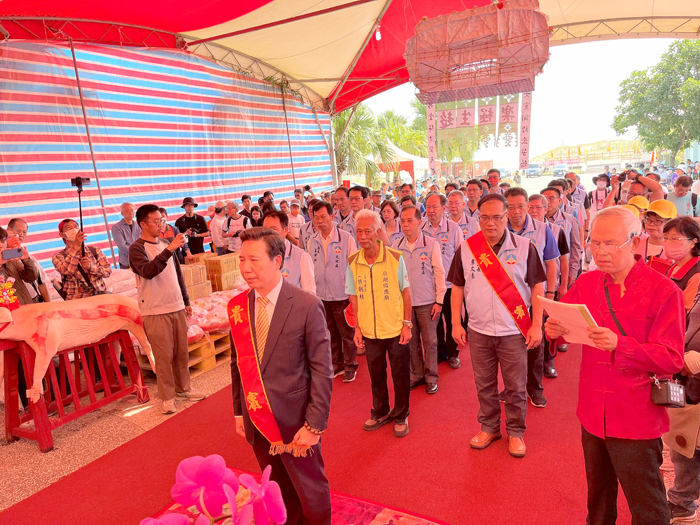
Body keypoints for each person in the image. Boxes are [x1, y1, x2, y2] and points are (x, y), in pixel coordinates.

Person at [545, 206, 685, 525]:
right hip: (593, 410)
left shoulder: (664, 292)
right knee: (599, 497)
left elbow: (672, 359)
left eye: (610, 244)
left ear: (635, 243)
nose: (600, 252)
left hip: (636, 414)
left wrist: (621, 344)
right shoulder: (588, 283)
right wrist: (553, 330)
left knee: (646, 502)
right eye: (595, 243)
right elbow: (562, 320)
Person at [229, 227, 333, 525]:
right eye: (241, 260)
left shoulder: (306, 305)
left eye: (254, 260)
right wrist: (239, 412)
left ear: (277, 261)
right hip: (257, 417)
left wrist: (315, 424)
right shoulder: (239, 307)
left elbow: (322, 370)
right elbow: (237, 363)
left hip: (295, 419)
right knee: (276, 488)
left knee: (310, 489)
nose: (246, 268)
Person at [450, 193, 545, 458]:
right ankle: (489, 426)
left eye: (496, 217)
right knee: (484, 383)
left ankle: (516, 431)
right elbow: (457, 287)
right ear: (477, 218)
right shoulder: (468, 248)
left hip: (514, 331)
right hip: (478, 330)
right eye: (484, 217)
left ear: (507, 217)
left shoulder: (526, 247)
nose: (490, 223)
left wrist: (537, 325)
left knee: (515, 386)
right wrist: (456, 323)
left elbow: (538, 287)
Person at [130, 204, 205, 414]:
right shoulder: (137, 248)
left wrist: (186, 300)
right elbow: (148, 271)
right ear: (143, 224)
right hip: (155, 309)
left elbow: (177, 274)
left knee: (182, 352)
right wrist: (170, 248)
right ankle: (167, 396)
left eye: (162, 220)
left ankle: (185, 388)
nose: (161, 225)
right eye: (156, 221)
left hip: (177, 305)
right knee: (163, 355)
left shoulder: (164, 243)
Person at [347, 210, 412, 437]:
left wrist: (407, 324)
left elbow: (406, 292)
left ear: (378, 232)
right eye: (359, 232)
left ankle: (401, 414)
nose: (363, 236)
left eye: (367, 231)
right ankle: (381, 411)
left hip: (395, 329)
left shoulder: (395, 257)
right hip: (369, 331)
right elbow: (353, 296)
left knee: (400, 375)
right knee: (376, 375)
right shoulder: (353, 261)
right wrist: (357, 327)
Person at [505, 188, 560, 408]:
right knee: (509, 348)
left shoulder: (542, 229)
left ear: (528, 206)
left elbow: (551, 263)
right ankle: (511, 387)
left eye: (520, 206)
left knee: (535, 346)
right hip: (509, 298)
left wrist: (550, 295)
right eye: (510, 207)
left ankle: (535, 388)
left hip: (535, 299)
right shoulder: (500, 230)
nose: (516, 211)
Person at [394, 205, 446, 394]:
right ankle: (416, 375)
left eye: (409, 221)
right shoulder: (396, 247)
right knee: (411, 340)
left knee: (430, 341)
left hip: (427, 302)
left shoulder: (431, 244)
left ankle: (431, 376)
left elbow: (439, 273)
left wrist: (439, 300)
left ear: (420, 222)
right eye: (403, 221)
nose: (405, 225)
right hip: (406, 304)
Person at [307, 201, 359, 382]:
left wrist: (353, 294)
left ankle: (350, 365)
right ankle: (337, 364)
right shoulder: (311, 240)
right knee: (330, 333)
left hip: (342, 294)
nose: (320, 221)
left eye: (323, 217)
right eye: (316, 218)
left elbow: (354, 268)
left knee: (347, 334)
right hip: (321, 295)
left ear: (332, 216)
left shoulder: (346, 239)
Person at [422, 192, 464, 368]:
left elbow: (461, 256)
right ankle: (440, 352)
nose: (431, 210)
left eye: (435, 207)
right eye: (428, 207)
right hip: (429, 285)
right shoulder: (420, 227)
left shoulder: (454, 228)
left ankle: (453, 353)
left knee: (453, 317)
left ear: (443, 208)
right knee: (435, 322)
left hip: (449, 284)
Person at [53, 219, 112, 300]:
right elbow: (66, 270)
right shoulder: (58, 256)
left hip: (100, 298)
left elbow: (107, 272)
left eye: (75, 226)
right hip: (77, 301)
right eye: (68, 227)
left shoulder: (94, 250)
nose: (73, 229)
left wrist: (91, 267)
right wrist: (76, 247)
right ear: (62, 234)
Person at [263, 211, 315, 294]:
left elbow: (310, 294)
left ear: (286, 230)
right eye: (265, 229)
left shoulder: (302, 257)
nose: (268, 233)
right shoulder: (261, 255)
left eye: (273, 229)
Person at [542, 187, 581, 288]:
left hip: (563, 271)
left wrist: (572, 272)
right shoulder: (536, 221)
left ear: (559, 200)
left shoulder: (569, 219)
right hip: (542, 273)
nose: (548, 202)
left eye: (551, 198)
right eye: (544, 199)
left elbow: (575, 247)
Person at [6, 218, 50, 302]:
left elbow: (41, 283)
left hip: (34, 300)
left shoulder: (29, 258)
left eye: (24, 232)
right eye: (18, 230)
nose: (21, 234)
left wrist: (49, 305)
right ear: (8, 230)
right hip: (13, 303)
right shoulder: (4, 258)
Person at [663, 217, 700, 313]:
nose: (667, 243)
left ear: (693, 242)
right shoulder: (675, 265)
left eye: (674, 239)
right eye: (665, 238)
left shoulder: (696, 274)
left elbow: (686, 311)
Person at [0, 226, 37, 306]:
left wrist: (26, 261)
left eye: (3, 241)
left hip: (26, 307)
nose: (1, 245)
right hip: (6, 315)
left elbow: (30, 278)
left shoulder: (12, 260)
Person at [635, 199, 677, 265]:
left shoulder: (677, 250)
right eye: (648, 220)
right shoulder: (636, 244)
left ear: (671, 224)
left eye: (658, 221)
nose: (651, 224)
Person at [111, 202, 141, 269]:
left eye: (132, 210)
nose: (131, 213)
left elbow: (143, 241)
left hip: (140, 260)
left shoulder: (139, 225)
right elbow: (122, 246)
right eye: (128, 211)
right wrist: (138, 252)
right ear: (122, 213)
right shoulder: (116, 227)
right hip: (126, 262)